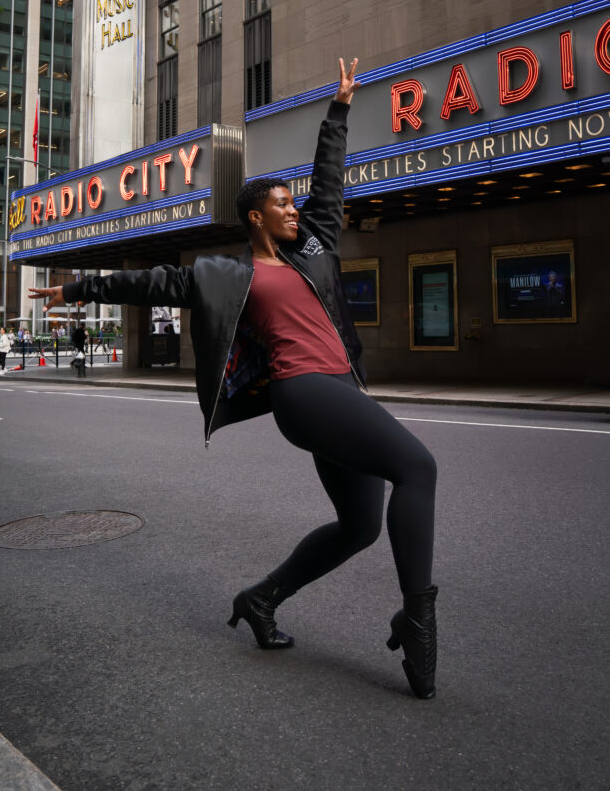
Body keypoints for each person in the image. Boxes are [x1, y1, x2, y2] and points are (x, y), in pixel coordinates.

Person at [29, 59, 439, 699]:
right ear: (255, 216)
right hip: (300, 392)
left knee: (360, 526)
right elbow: (151, 282)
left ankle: (261, 599)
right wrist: (79, 286)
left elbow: (328, 185)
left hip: (341, 388)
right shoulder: (225, 274)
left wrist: (339, 112)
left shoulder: (313, 250)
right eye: (280, 204)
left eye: (292, 202)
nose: (294, 211)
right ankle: (416, 622)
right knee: (420, 467)